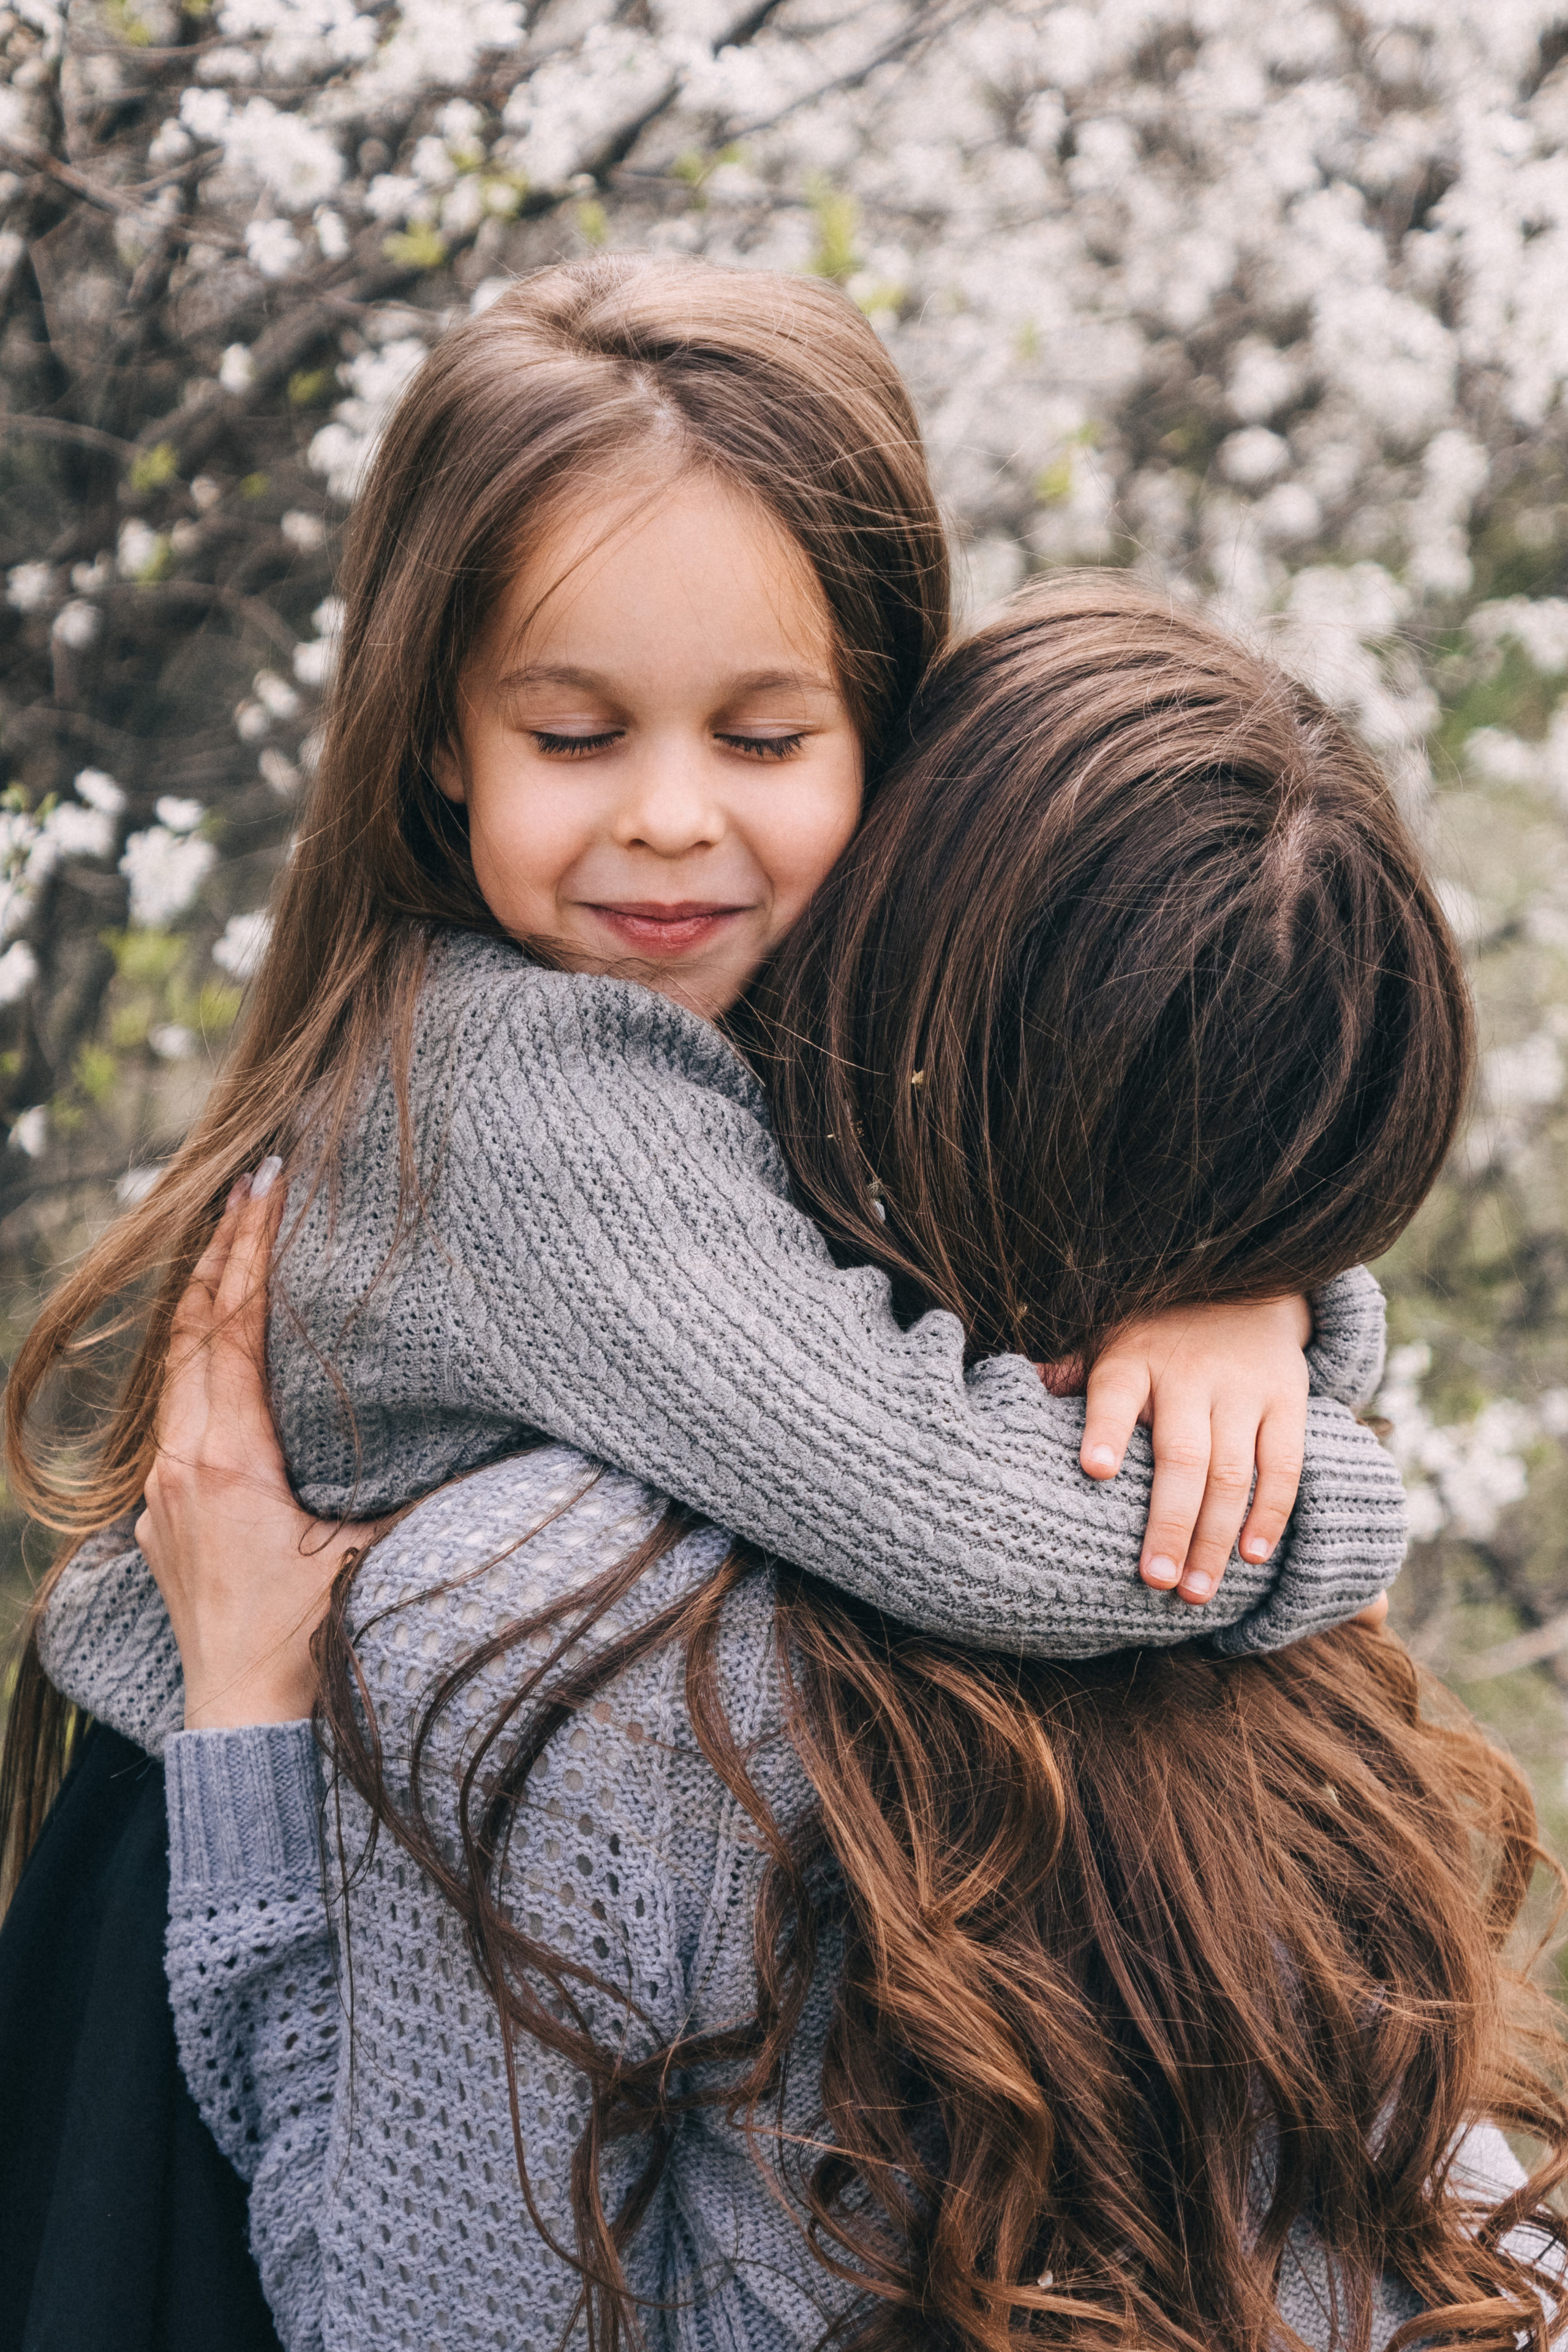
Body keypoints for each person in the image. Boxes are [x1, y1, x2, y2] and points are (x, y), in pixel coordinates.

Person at [0, 257, 1398, 2336]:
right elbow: (964, 1515)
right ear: (440, 744)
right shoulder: (534, 1087)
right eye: (573, 732)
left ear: (897, 731)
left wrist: (1255, 1299)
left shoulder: (741, 1031)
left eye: (767, 734)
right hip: (280, 1887)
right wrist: (1330, 1480)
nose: (671, 815)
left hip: (464, 1873)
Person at [138, 580, 1553, 2352]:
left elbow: (415, 2317)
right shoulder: (1281, 1651)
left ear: (880, 971)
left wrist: (251, 1735)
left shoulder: (532, 1635)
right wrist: (1294, 1351)